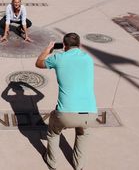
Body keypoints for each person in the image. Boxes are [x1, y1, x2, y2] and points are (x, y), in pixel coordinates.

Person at [35, 33, 97, 170]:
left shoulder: (58, 58)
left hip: (66, 113)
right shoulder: (88, 58)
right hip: (90, 113)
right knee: (82, 134)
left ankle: (52, 162)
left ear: (64, 46)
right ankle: (78, 165)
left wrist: (48, 49)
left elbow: (38, 63)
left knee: (53, 133)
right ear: (79, 45)